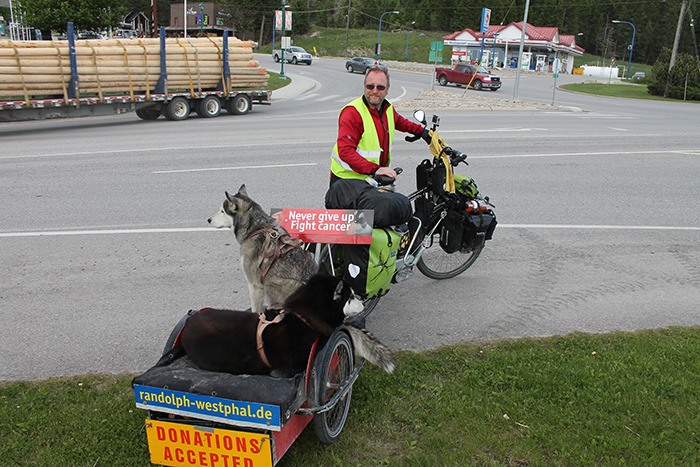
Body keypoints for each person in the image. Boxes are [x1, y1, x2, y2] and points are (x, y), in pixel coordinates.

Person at [329, 66, 430, 188]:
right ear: (364, 86)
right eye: (370, 86)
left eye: (380, 87)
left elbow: (399, 121)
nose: (375, 91)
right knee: (396, 204)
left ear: (387, 89)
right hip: (348, 180)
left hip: (372, 178)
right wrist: (376, 169)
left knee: (395, 203)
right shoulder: (353, 112)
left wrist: (422, 132)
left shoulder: (386, 108)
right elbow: (345, 151)